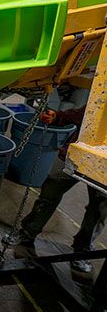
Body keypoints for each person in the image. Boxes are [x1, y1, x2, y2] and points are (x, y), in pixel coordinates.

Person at [11, 105, 107, 274]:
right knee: (50, 192)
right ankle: (28, 232)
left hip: (104, 170)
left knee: (99, 210)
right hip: (78, 155)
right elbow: (82, 114)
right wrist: (56, 117)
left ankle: (82, 251)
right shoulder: (104, 97)